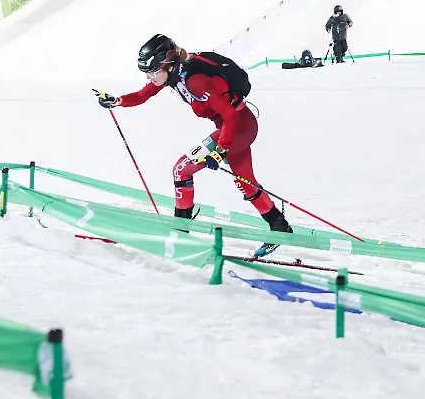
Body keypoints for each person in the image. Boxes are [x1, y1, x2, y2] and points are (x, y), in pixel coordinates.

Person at [95, 35, 293, 257]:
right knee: (245, 182)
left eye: (153, 72)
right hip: (236, 127)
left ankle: (181, 230)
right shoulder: (175, 76)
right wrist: (118, 100)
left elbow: (229, 115)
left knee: (182, 169)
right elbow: (143, 94)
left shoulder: (194, 80)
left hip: (237, 127)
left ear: (168, 65)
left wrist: (220, 150)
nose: (150, 78)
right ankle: (279, 226)